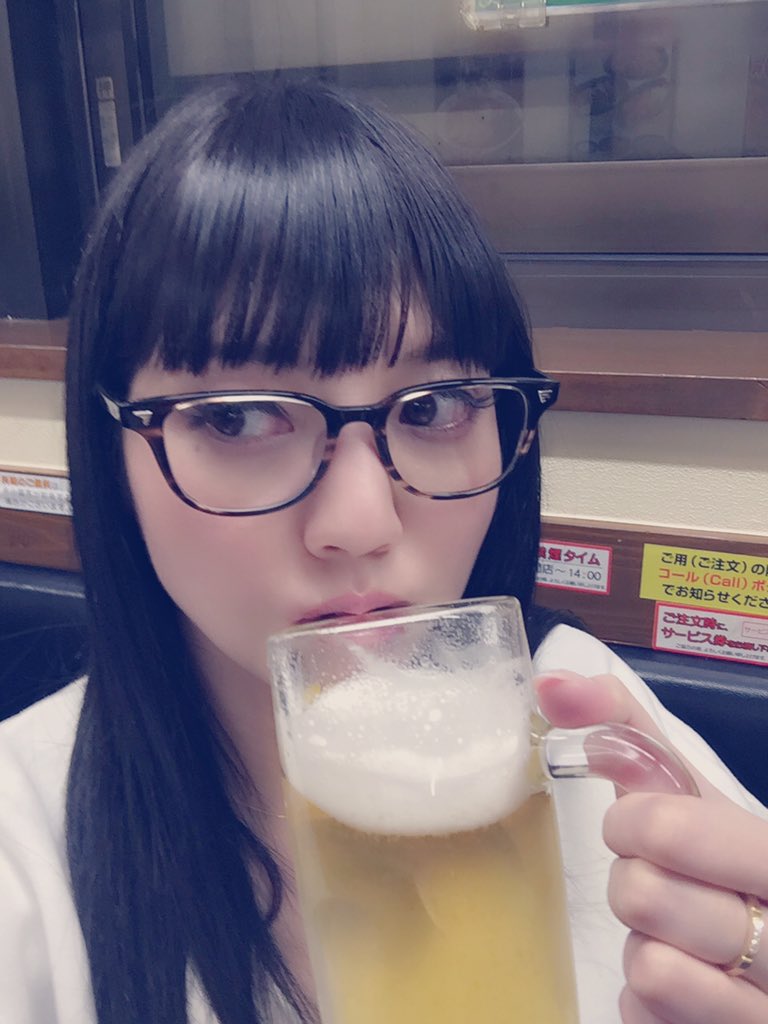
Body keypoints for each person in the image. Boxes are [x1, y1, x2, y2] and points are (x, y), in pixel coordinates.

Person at [0, 76, 765, 1024]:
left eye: (436, 406)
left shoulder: (581, 702)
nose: (363, 522)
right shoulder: (24, 843)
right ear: (110, 450)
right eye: (238, 418)